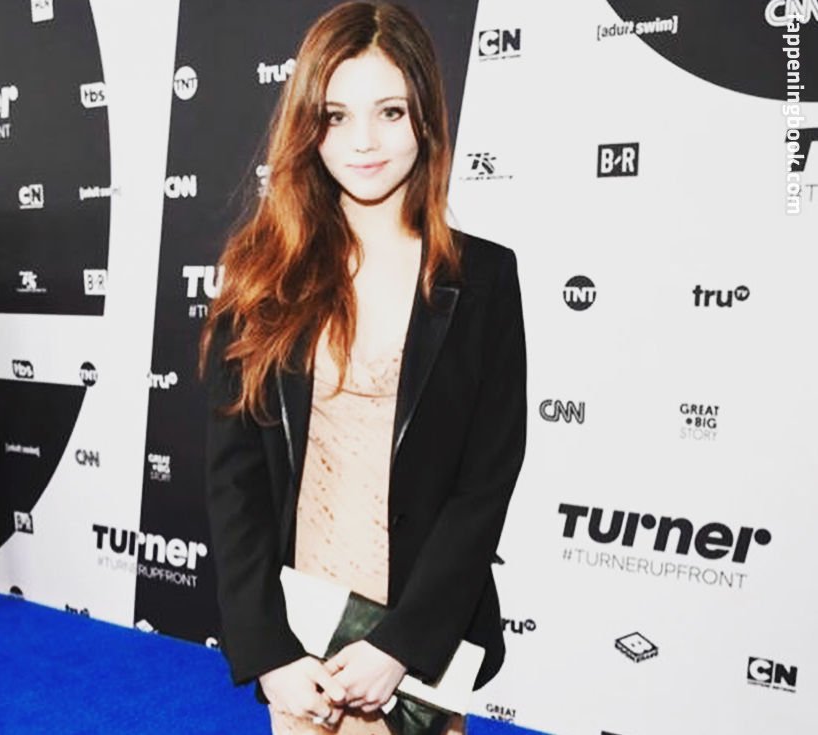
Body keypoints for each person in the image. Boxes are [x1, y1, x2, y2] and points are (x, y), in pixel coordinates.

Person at [200, 3, 526, 734]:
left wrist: (401, 646)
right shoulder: (259, 277)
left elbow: (486, 481)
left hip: (417, 643)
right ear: (307, 126)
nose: (364, 142)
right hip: (302, 637)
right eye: (336, 116)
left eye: (389, 111)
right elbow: (234, 482)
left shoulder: (484, 280)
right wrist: (270, 651)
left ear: (426, 117)